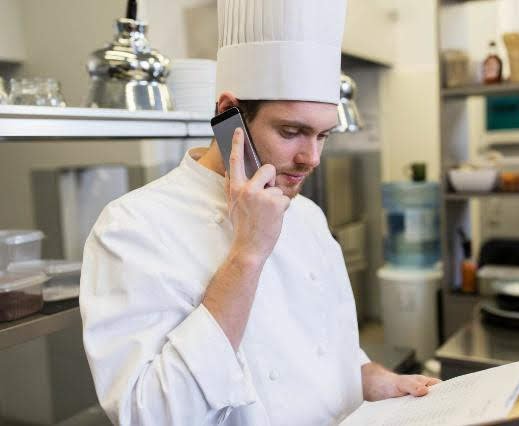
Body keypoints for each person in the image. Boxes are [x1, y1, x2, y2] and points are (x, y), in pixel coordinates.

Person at [80, 1, 439, 424]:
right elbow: (151, 415)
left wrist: (371, 378)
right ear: (228, 113)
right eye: (291, 131)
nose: (311, 158)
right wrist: (247, 255)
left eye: (323, 135)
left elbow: (326, 350)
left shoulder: (307, 216)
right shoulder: (133, 228)